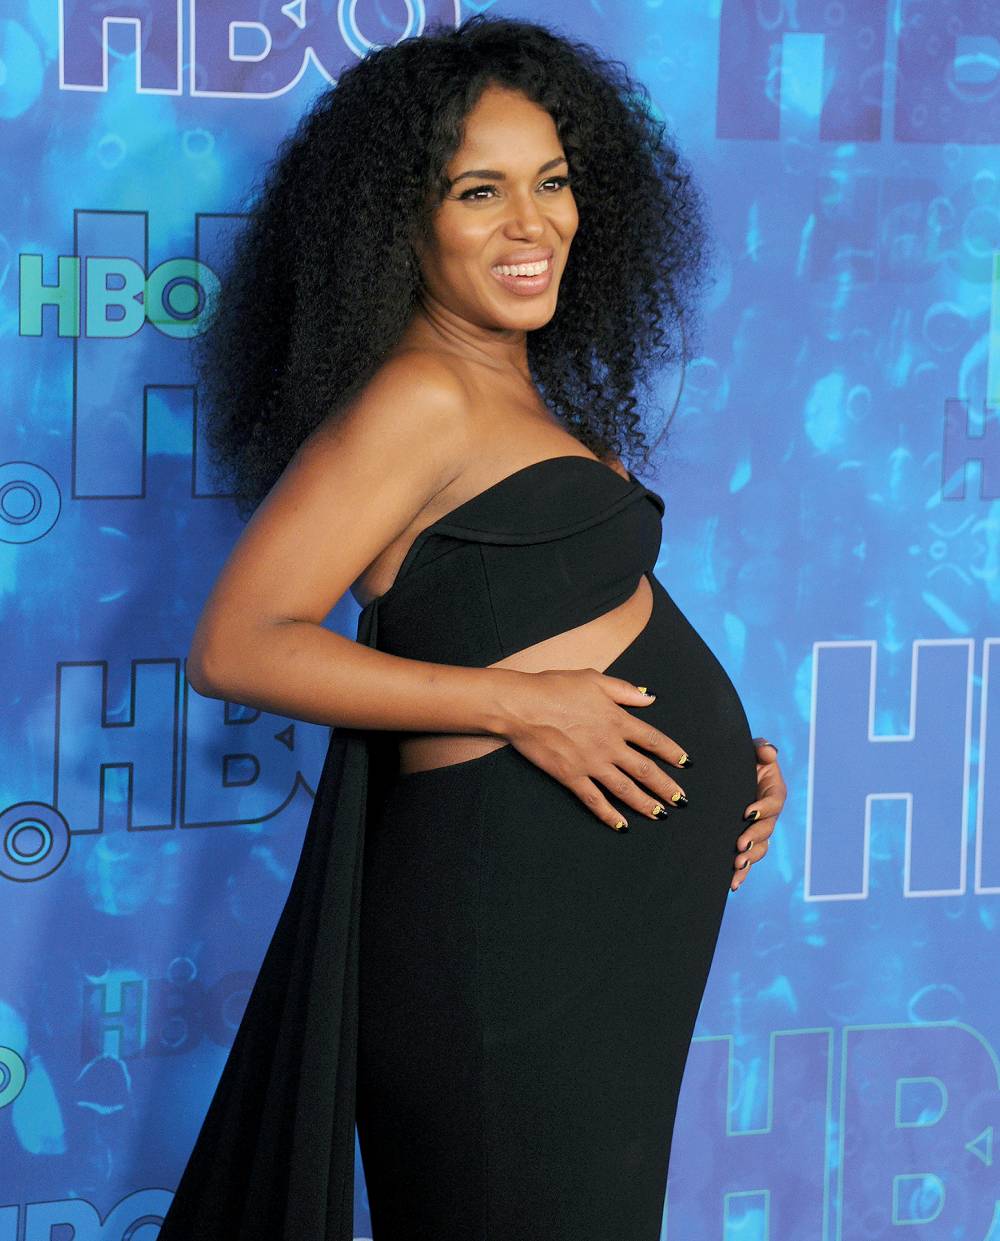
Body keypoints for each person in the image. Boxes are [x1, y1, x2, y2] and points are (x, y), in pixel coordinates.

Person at [157, 13, 787, 1241]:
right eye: (479, 192)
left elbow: (562, 607)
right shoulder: (421, 391)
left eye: (550, 183)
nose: (531, 223)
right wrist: (521, 702)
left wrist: (731, 772)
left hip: (601, 931)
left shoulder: (513, 381)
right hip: (504, 941)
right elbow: (237, 642)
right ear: (402, 221)